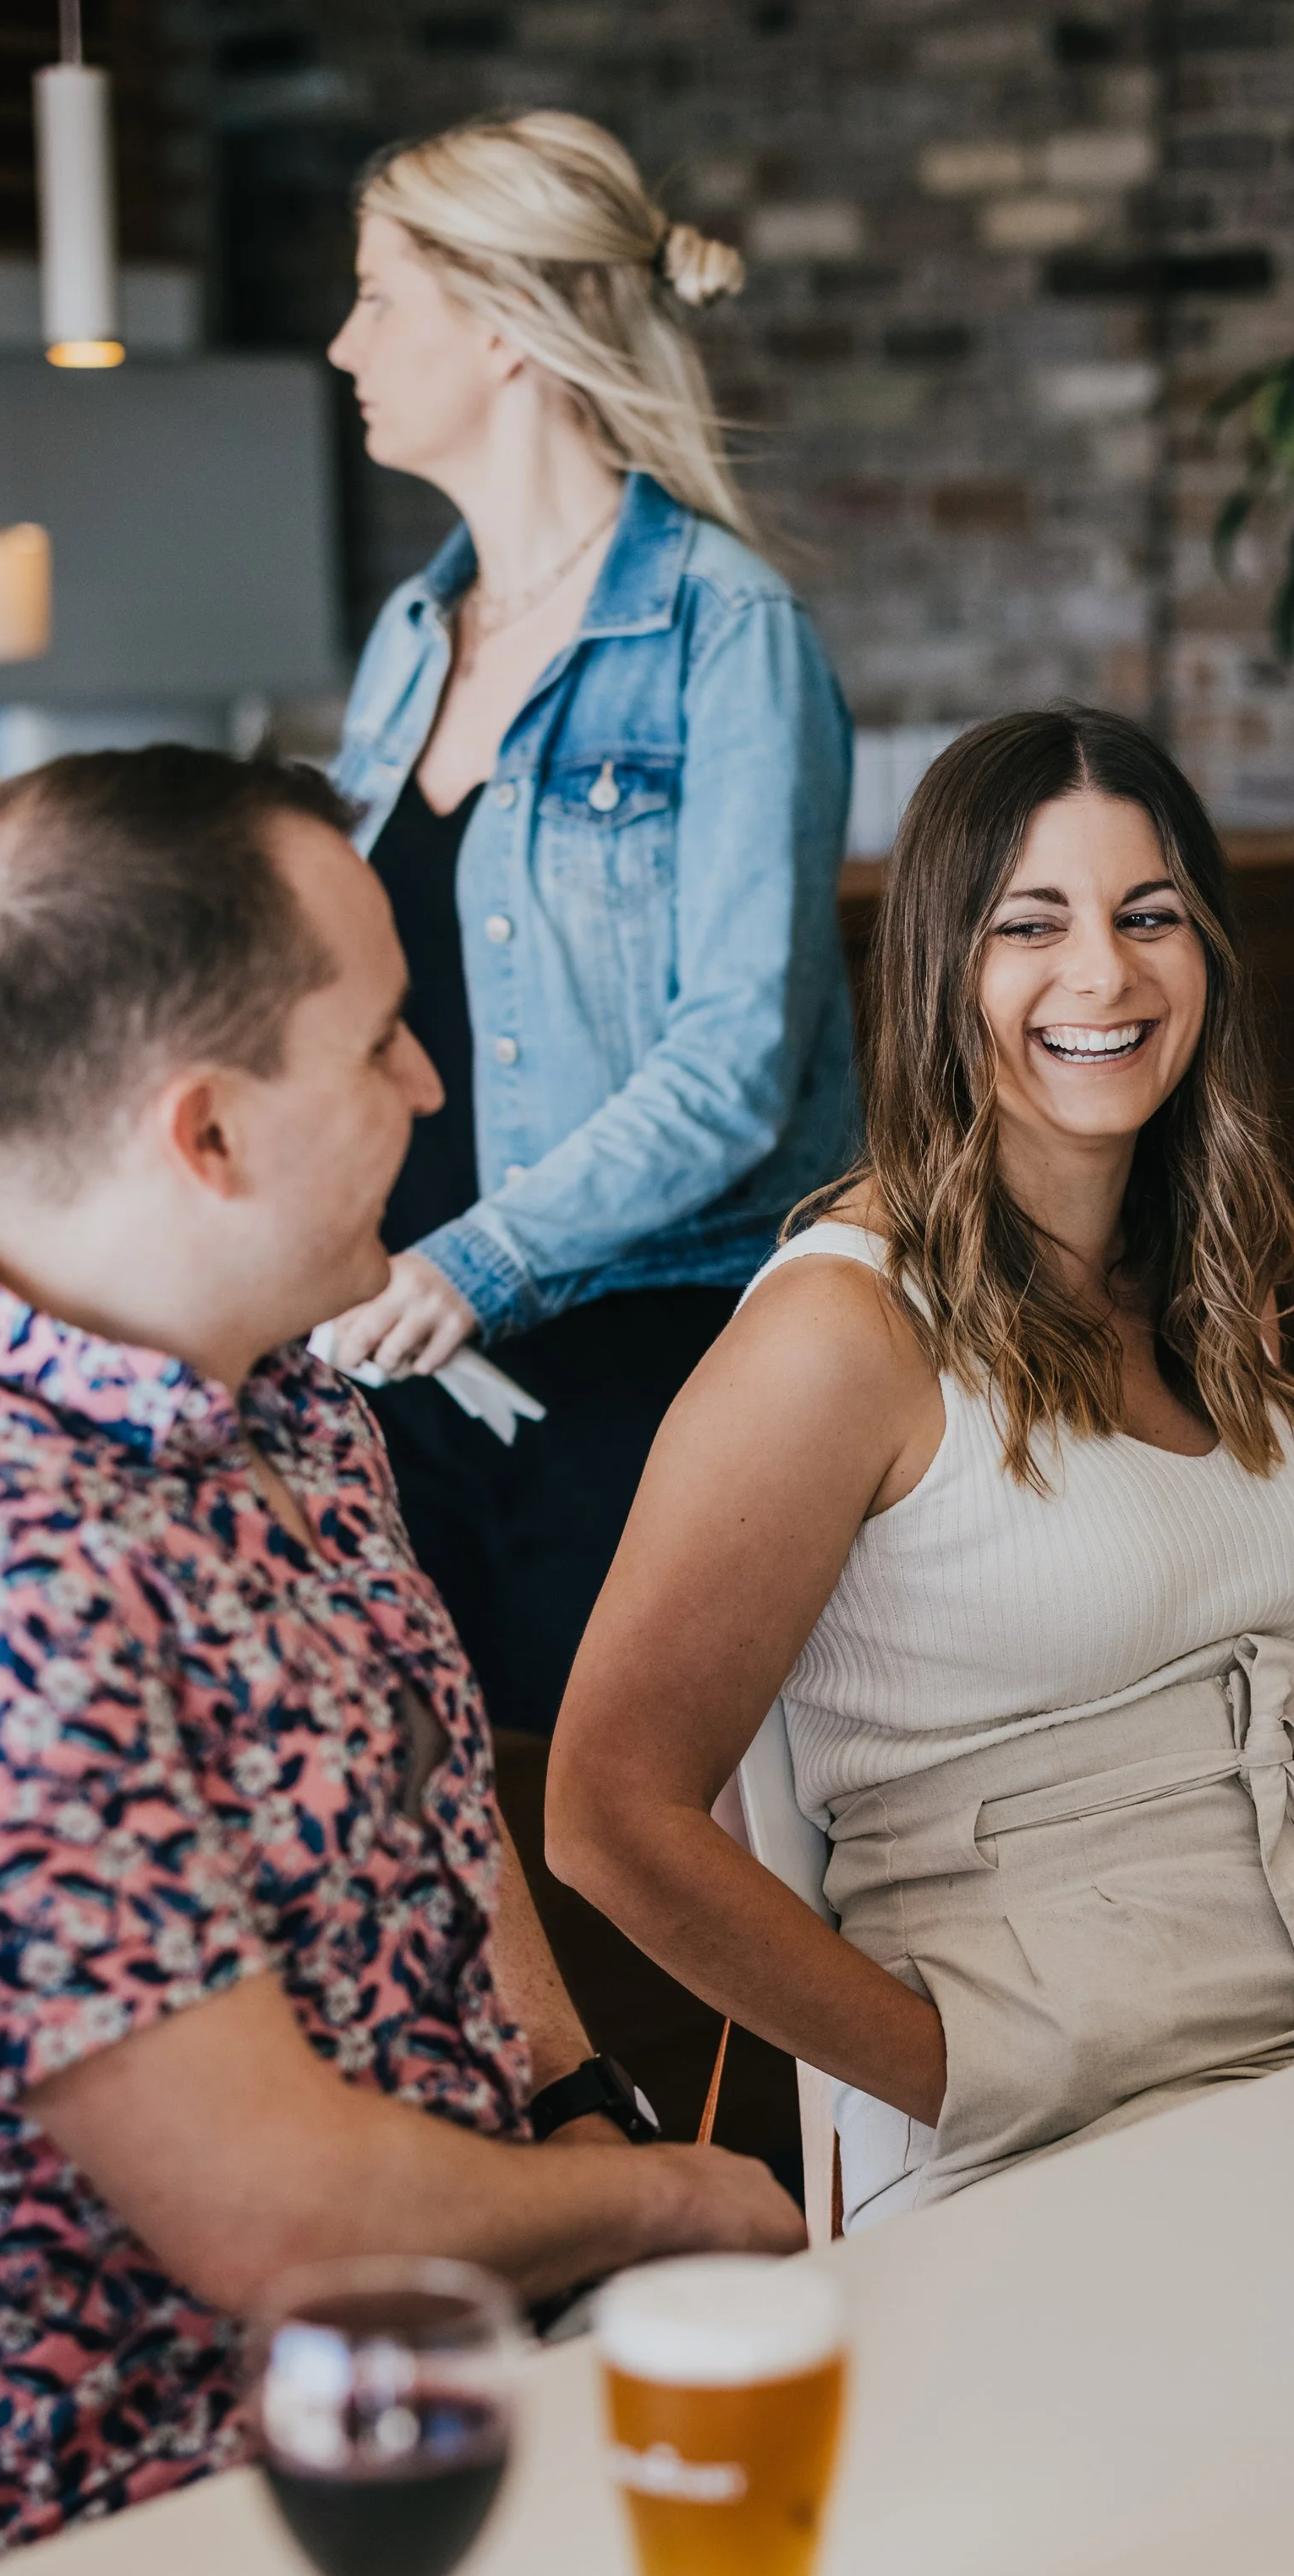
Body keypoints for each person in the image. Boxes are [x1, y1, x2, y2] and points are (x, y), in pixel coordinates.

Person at [0, 747, 803, 2565]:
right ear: (207, 1132)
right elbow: (276, 2217)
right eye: (380, 1041)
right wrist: (656, 2195)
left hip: (470, 2362)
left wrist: (580, 2100)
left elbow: (433, 1795)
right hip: (170, 2537)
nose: (431, 1086)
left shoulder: (281, 1376)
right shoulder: (10, 1576)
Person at [547, 708, 1294, 2226]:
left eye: (1151, 917)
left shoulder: (1199, 1271)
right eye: (1030, 925)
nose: (1104, 975)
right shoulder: (842, 1331)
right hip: (1072, 2090)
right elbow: (608, 1812)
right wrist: (954, 2072)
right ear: (943, 968)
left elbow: (1249, 1664)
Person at [322, 109, 856, 1734]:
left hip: (645, 1364)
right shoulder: (412, 635)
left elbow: (734, 1068)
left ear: (498, 327)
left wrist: (482, 1261)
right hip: (400, 1354)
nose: (345, 344)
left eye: (378, 298)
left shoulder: (730, 630)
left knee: (637, 1871)